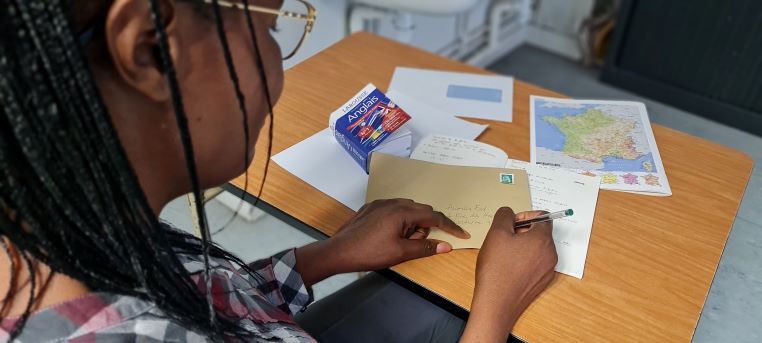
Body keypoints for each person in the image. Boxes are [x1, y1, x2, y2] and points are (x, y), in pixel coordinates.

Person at [0, 0, 558, 342]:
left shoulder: (52, 225)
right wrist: (495, 308)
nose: (278, 60)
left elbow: (202, 296)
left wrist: (327, 256)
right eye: (271, 27)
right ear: (150, 47)